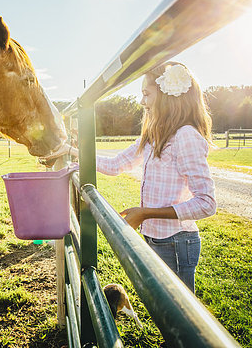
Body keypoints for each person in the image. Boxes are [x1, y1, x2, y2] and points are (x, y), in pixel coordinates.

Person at [45, 62, 216, 293]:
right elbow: (115, 164)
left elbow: (206, 203)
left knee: (178, 315)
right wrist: (71, 151)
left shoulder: (185, 135)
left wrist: (146, 213)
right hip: (155, 238)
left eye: (146, 94)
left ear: (168, 96)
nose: (142, 101)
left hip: (177, 241)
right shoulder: (154, 135)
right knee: (163, 309)